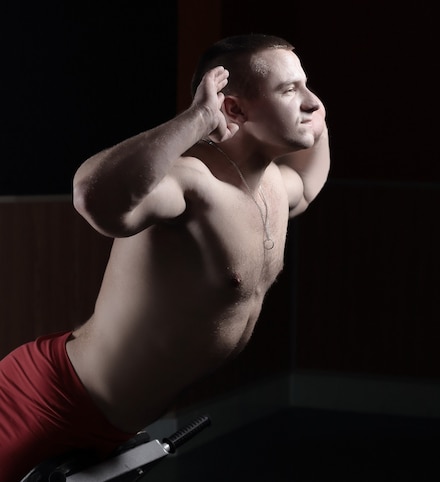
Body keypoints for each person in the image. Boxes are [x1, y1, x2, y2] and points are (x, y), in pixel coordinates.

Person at [0, 33, 330, 480]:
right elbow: (93, 197)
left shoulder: (274, 187)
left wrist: (312, 111)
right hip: (47, 401)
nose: (310, 100)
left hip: (112, 426)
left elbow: (308, 186)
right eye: (290, 90)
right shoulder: (190, 182)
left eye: (307, 85)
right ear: (232, 109)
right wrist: (196, 120)